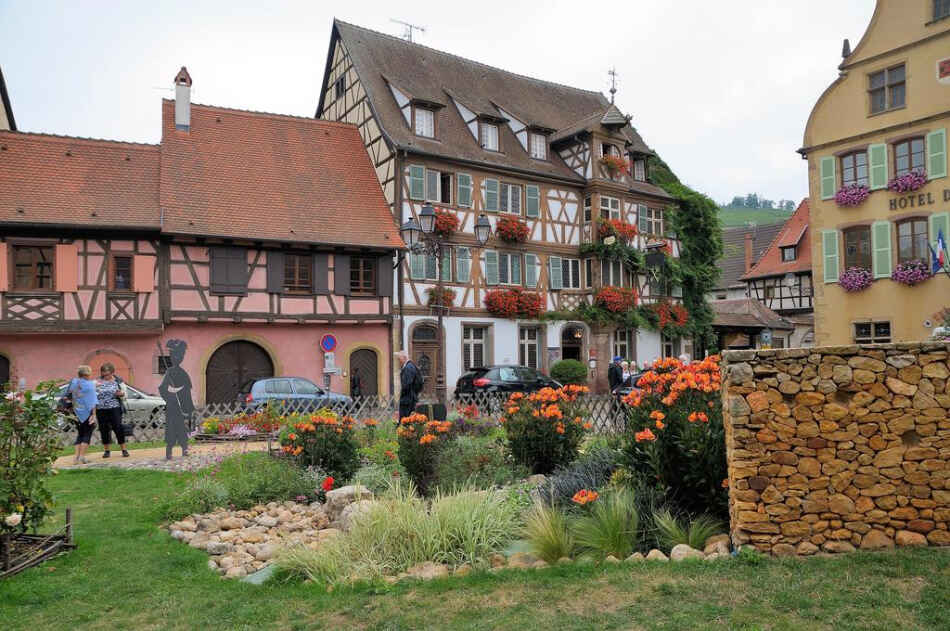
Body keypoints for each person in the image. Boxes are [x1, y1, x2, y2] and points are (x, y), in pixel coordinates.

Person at [159, 339, 193, 460]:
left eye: (180, 355)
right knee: (171, 429)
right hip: (172, 407)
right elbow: (162, 388)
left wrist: (188, 408)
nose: (177, 358)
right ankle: (169, 451)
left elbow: (187, 390)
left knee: (183, 429)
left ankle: (185, 448)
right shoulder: (169, 372)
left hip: (182, 406)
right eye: (175, 355)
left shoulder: (183, 373)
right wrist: (171, 394)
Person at [95, 362, 129, 458]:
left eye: (108, 374)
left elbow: (125, 394)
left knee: (118, 428)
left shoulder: (118, 381)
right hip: (101, 409)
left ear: (112, 372)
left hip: (115, 408)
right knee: (104, 429)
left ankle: (124, 449)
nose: (106, 376)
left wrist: (121, 394)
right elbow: (92, 394)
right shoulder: (96, 382)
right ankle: (107, 451)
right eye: (104, 374)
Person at [68, 365, 97, 465]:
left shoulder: (74, 383)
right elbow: (93, 401)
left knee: (80, 434)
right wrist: (93, 414)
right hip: (87, 412)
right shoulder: (90, 385)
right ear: (86, 374)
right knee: (87, 433)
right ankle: (82, 457)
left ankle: (75, 458)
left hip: (76, 412)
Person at [396, 350, 422, 420]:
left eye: (399, 359)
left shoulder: (408, 368)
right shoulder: (411, 366)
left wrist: (403, 396)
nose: (398, 361)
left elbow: (406, 384)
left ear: (404, 357)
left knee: (406, 420)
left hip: (408, 399)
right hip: (411, 397)